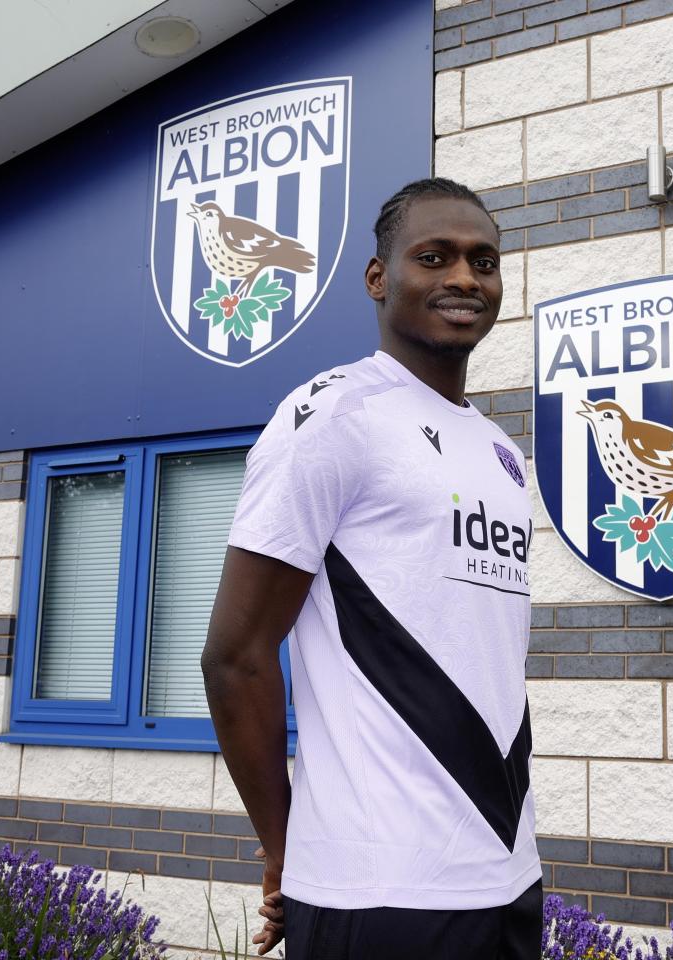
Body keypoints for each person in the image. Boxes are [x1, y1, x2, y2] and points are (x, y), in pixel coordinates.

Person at [201, 177, 541, 960]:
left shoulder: (502, 453)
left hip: (508, 879)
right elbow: (234, 657)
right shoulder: (332, 417)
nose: (464, 278)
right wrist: (287, 850)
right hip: (377, 898)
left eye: (483, 262)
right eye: (435, 257)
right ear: (378, 278)